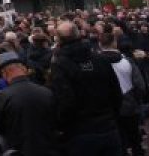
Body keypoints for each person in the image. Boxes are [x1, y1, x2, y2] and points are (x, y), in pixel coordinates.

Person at [49, 21, 122, 155]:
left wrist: (61, 125)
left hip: (80, 132)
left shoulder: (60, 65)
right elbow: (116, 92)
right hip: (107, 127)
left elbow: (66, 101)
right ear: (79, 34)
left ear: (58, 39)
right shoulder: (100, 58)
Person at [0, 49, 58, 155]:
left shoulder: (1, 97)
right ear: (24, 69)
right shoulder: (46, 92)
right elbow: (56, 121)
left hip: (18, 151)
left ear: (4, 73)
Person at [100, 30, 146, 156]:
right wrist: (137, 100)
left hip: (107, 108)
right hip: (129, 103)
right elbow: (140, 85)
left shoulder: (96, 63)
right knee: (134, 137)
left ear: (100, 44)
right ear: (114, 43)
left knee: (118, 140)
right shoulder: (127, 61)